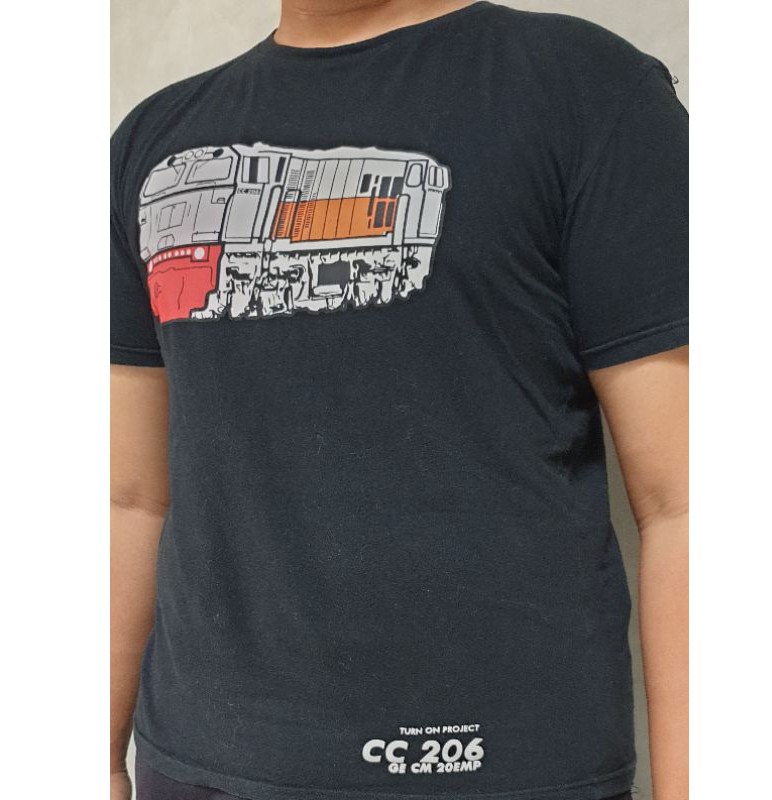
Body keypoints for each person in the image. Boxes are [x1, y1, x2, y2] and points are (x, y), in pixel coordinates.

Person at [110, 2, 689, 800]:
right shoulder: (154, 140)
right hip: (194, 763)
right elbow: (129, 498)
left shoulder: (587, 89)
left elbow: (687, 498)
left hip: (501, 769)